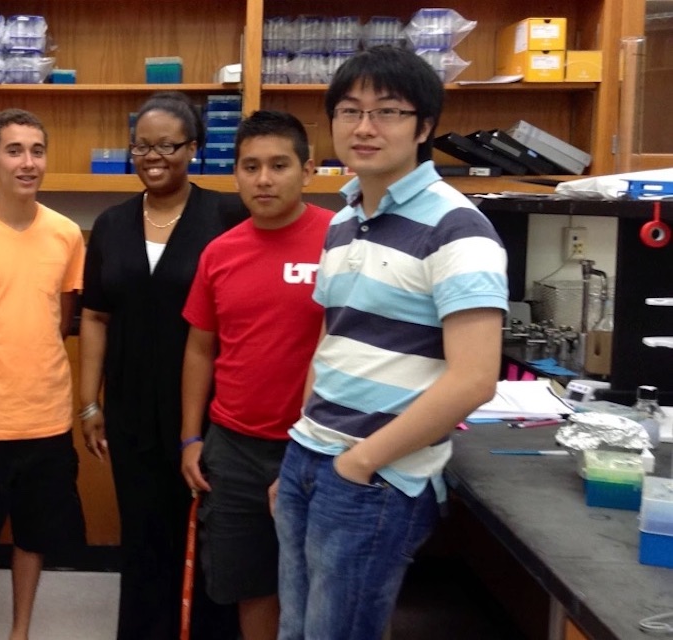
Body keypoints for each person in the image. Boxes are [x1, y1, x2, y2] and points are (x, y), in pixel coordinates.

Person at [271, 46, 509, 640]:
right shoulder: (341, 221)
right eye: (350, 111)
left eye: (389, 111)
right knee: (295, 630)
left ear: (424, 126)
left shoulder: (460, 228)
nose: (366, 127)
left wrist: (362, 461)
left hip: (375, 477)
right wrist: (300, 445)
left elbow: (475, 379)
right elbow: (332, 338)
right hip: (309, 457)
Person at [80, 91, 243, 640]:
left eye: (167, 145)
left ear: (193, 149)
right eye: (141, 146)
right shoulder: (111, 224)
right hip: (129, 409)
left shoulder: (226, 215)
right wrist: (90, 402)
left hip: (207, 412)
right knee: (144, 536)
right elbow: (96, 317)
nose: (153, 157)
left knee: (207, 536)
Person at [179, 110, 332, 640]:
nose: (263, 179)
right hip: (235, 448)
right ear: (236, 174)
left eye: (278, 165)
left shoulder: (341, 242)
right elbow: (200, 349)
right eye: (251, 166)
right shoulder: (220, 253)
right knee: (253, 585)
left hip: (319, 447)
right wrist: (191, 438)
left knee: (325, 586)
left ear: (307, 170)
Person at [0, 108, 88, 640]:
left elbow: (64, 316)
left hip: (47, 415)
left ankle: (20, 631)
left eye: (36, 151)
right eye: (14, 151)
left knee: (34, 536)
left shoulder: (67, 233)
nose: (27, 163)